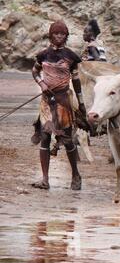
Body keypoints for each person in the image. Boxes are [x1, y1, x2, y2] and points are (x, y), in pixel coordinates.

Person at [30, 20, 86, 190]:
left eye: (62, 34)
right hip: (47, 102)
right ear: (50, 35)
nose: (59, 36)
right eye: (56, 33)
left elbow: (76, 81)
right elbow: (34, 71)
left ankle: (75, 175)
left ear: (66, 36)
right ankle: (45, 179)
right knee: (45, 136)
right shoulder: (43, 55)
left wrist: (81, 103)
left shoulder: (71, 57)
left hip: (63, 101)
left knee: (67, 140)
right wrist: (42, 84)